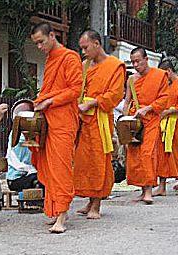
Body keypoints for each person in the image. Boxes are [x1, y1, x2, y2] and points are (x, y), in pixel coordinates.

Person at [30, 22, 82, 233]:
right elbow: (49, 89)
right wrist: (39, 101)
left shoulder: (70, 57)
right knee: (49, 167)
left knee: (60, 167)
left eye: (42, 42)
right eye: (36, 44)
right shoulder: (51, 59)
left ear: (52, 36)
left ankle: (62, 215)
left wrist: (50, 101)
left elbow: (75, 90)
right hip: (48, 119)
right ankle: (55, 209)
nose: (40, 47)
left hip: (63, 120)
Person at [74, 30, 125, 219]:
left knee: (99, 161)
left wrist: (93, 102)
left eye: (86, 47)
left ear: (97, 44)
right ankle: (89, 199)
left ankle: (97, 203)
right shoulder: (84, 65)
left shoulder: (115, 65)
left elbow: (115, 94)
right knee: (82, 162)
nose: (83, 52)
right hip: (83, 119)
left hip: (100, 118)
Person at [123, 47, 169, 204]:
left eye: (138, 61)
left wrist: (148, 108)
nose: (135, 65)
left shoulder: (159, 76)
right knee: (135, 156)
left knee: (147, 154)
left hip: (151, 119)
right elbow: (127, 100)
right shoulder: (131, 79)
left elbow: (164, 99)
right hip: (134, 121)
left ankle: (149, 190)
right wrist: (124, 119)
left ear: (146, 59)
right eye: (133, 62)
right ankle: (142, 190)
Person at [153, 60, 178, 196]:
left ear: (169, 71)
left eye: (164, 75)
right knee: (162, 154)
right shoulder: (165, 86)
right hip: (164, 123)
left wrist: (168, 111)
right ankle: (162, 186)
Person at [6, 101, 41, 192]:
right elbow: (21, 166)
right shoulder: (16, 135)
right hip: (16, 179)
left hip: (32, 175)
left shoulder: (36, 135)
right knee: (41, 179)